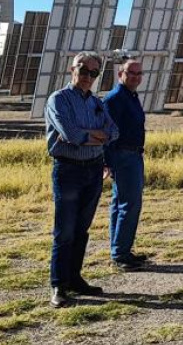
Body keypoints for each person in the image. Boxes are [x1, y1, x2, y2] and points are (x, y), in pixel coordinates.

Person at [45, 52, 120, 308]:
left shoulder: (96, 102)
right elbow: (70, 134)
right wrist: (94, 134)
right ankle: (58, 284)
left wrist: (92, 135)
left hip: (93, 168)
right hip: (69, 170)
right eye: (84, 70)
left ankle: (74, 278)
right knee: (64, 230)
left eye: (94, 73)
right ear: (72, 69)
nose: (88, 77)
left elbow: (113, 132)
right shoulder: (59, 99)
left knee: (81, 229)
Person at [103, 59, 148, 272]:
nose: (136, 77)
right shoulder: (115, 99)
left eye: (139, 73)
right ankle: (120, 253)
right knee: (129, 204)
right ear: (121, 73)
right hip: (123, 155)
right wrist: (108, 162)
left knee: (120, 203)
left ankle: (120, 249)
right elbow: (107, 132)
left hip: (132, 154)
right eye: (131, 73)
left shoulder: (130, 96)